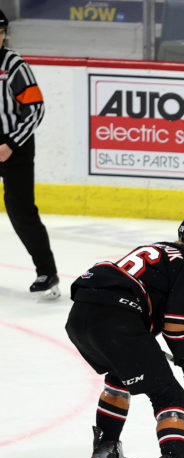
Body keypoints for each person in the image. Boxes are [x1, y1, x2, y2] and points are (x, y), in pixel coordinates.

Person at [64, 215, 184, 458]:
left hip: (81, 315)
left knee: (118, 377)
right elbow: (177, 326)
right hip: (118, 319)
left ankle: (106, 453)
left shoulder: (161, 249)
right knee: (169, 395)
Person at [0, 11, 59, 299]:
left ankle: (47, 272)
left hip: (16, 146)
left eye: (1, 32)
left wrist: (10, 143)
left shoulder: (13, 65)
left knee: (21, 212)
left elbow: (35, 109)